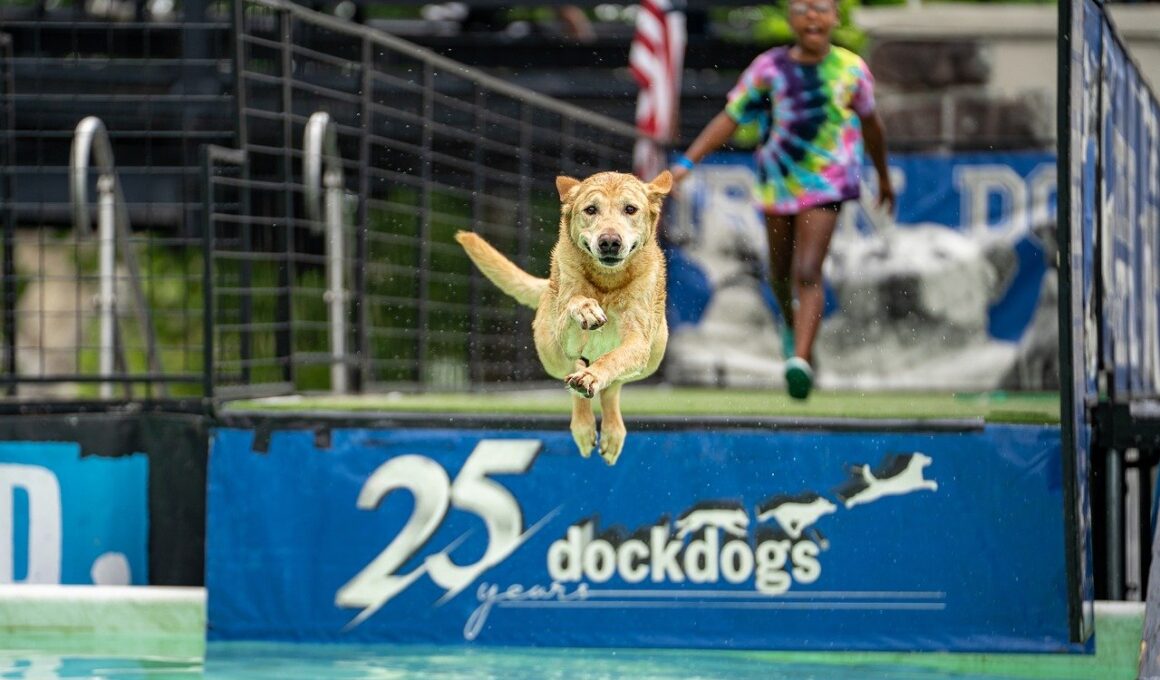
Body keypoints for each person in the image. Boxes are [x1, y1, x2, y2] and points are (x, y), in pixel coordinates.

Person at [669, 0, 894, 400]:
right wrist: (687, 162)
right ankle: (793, 328)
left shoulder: (851, 70)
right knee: (779, 273)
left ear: (834, 17)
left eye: (821, 8)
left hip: (827, 183)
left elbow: (872, 126)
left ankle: (800, 361)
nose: (812, 16)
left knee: (807, 271)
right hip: (778, 184)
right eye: (803, 9)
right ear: (791, 19)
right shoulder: (769, 68)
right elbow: (731, 117)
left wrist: (884, 177)